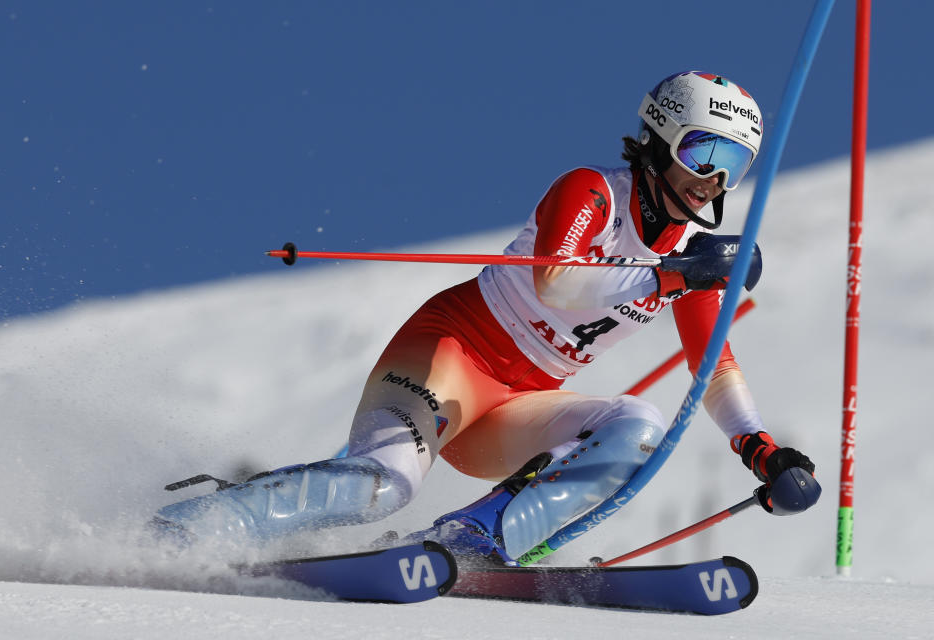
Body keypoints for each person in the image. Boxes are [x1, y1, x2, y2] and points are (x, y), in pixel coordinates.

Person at [152, 71, 817, 562]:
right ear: (662, 140)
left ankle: (470, 542)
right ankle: (190, 529)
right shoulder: (592, 193)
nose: (714, 179)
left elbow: (713, 366)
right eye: (705, 153)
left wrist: (759, 448)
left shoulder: (690, 260)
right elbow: (556, 284)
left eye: (735, 164)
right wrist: (672, 273)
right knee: (382, 488)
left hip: (515, 405)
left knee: (636, 427)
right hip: (451, 355)